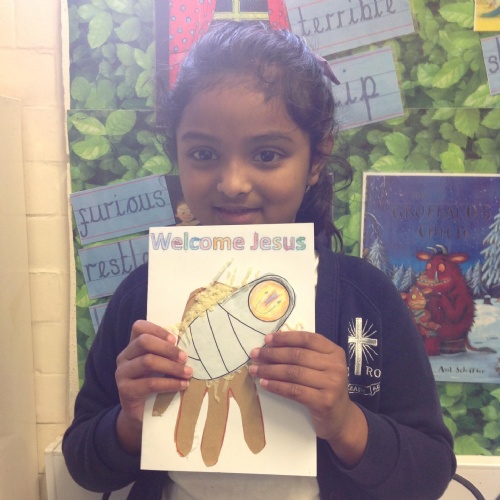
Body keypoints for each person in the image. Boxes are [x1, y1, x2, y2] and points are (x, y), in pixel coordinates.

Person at [63, 21, 456, 499]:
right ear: (177, 155)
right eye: (203, 153)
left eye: (267, 155)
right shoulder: (144, 294)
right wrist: (128, 421)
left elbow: (430, 471)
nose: (232, 183)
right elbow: (84, 463)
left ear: (316, 160)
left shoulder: (366, 298)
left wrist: (346, 422)